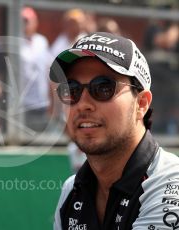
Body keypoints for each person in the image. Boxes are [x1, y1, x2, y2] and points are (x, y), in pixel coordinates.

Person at [49, 32, 179, 229]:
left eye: (103, 88)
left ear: (141, 104)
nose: (83, 104)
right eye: (72, 89)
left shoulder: (171, 185)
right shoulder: (71, 190)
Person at [20, 7, 51, 131]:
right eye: (22, 21)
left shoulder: (42, 41)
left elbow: (48, 69)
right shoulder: (15, 41)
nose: (25, 24)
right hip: (22, 103)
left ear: (35, 22)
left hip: (42, 101)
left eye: (27, 21)